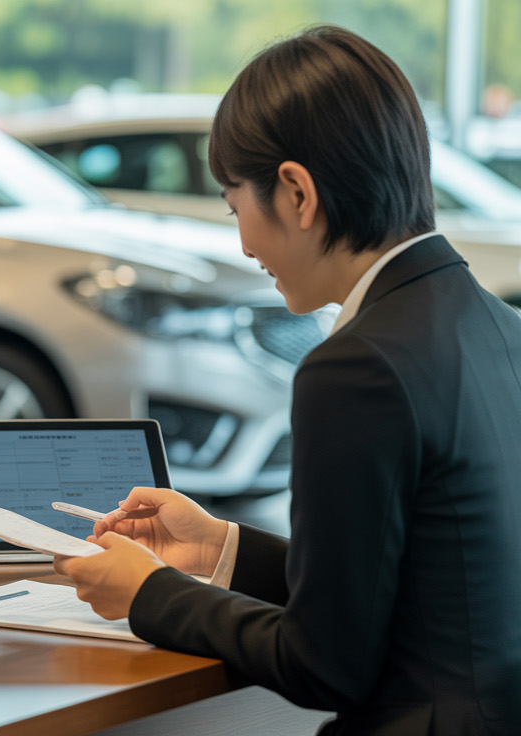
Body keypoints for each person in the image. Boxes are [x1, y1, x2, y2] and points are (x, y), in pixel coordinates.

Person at [53, 26, 521, 735]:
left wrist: (149, 592)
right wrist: (219, 549)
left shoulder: (357, 367)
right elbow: (412, 587)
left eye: (234, 202)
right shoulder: (498, 327)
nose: (243, 242)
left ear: (297, 193)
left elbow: (325, 663)